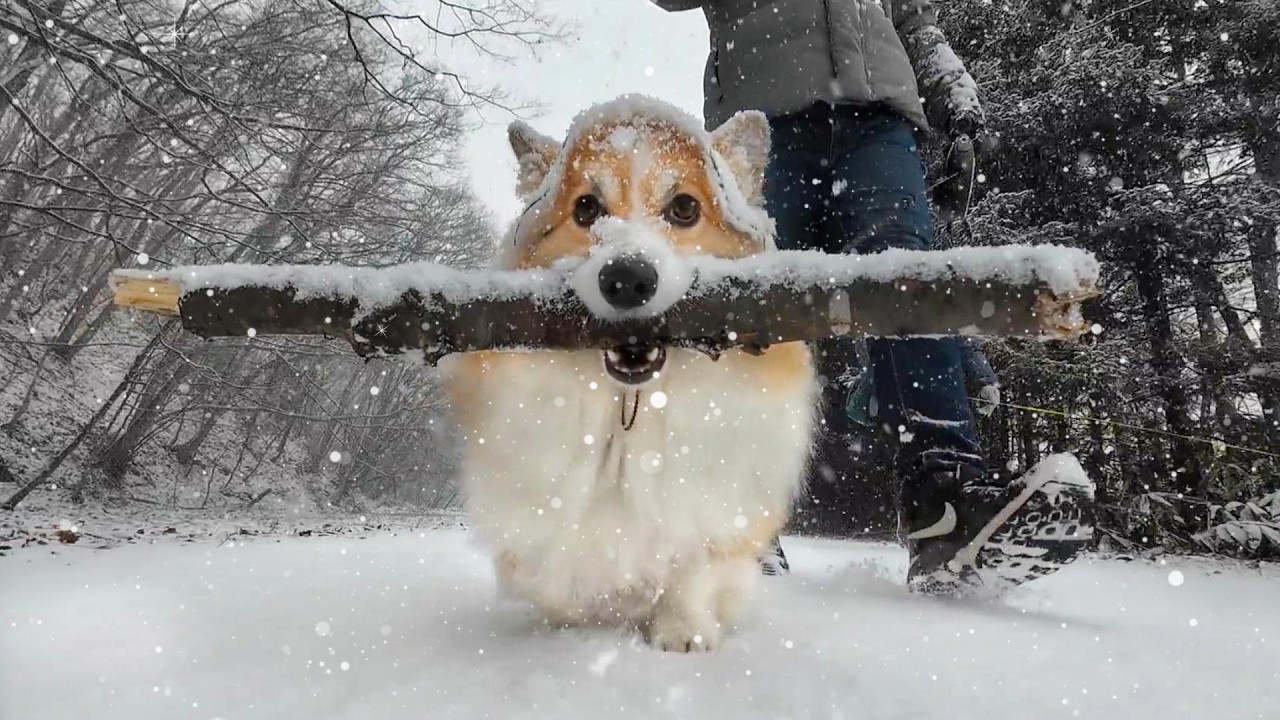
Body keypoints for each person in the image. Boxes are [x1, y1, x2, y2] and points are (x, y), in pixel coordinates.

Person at [653, 0, 1094, 593]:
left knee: (908, 282)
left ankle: (944, 503)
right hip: (765, 116)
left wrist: (954, 96)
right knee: (751, 295)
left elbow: (913, 21)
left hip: (881, 126)